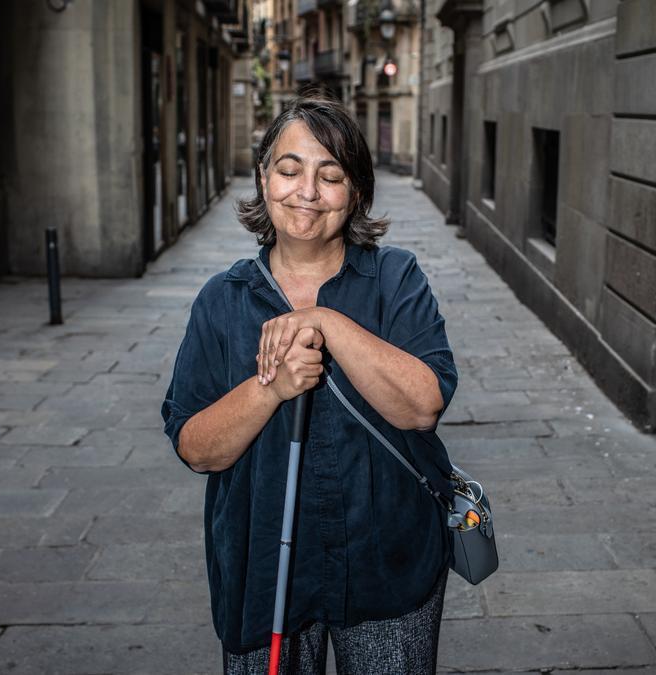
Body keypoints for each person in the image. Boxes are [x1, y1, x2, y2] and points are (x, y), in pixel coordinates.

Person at [162, 95, 458, 674]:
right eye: (290, 169)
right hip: (262, 570)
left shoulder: (395, 279)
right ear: (263, 178)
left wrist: (326, 322)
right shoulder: (222, 301)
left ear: (356, 192)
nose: (307, 192)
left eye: (331, 175)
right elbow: (196, 448)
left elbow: (423, 406)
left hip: (385, 566)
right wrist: (269, 388)